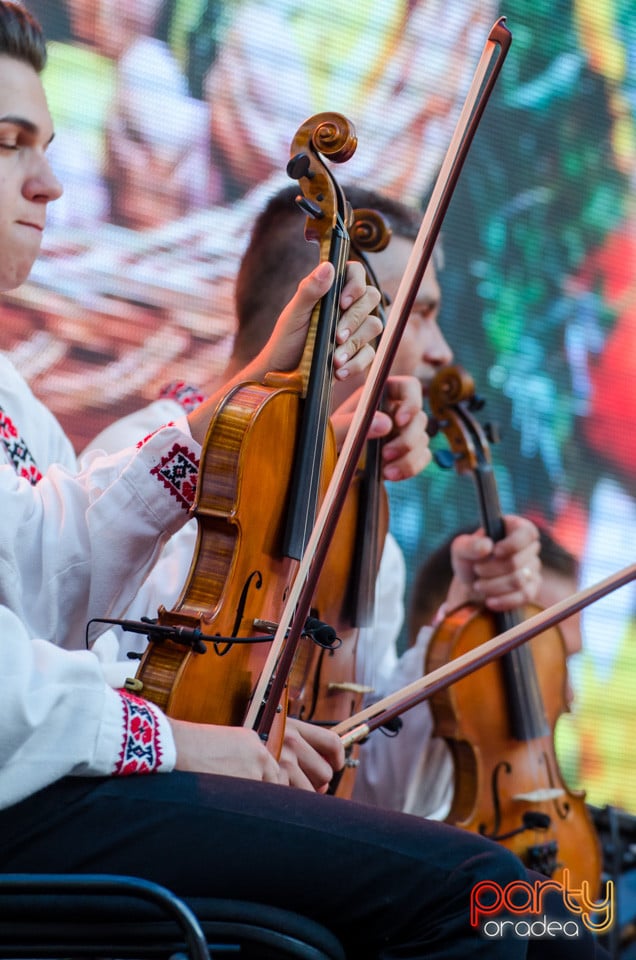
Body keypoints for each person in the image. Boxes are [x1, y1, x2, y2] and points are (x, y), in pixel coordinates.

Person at [0, 5, 597, 959]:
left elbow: (381, 790)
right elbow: (99, 661)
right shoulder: (184, 463)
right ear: (326, 313)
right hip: (46, 806)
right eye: (7, 141)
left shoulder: (18, 401)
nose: (51, 181)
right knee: (493, 897)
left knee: (562, 914)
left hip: (92, 784)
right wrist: (198, 737)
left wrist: (457, 642)